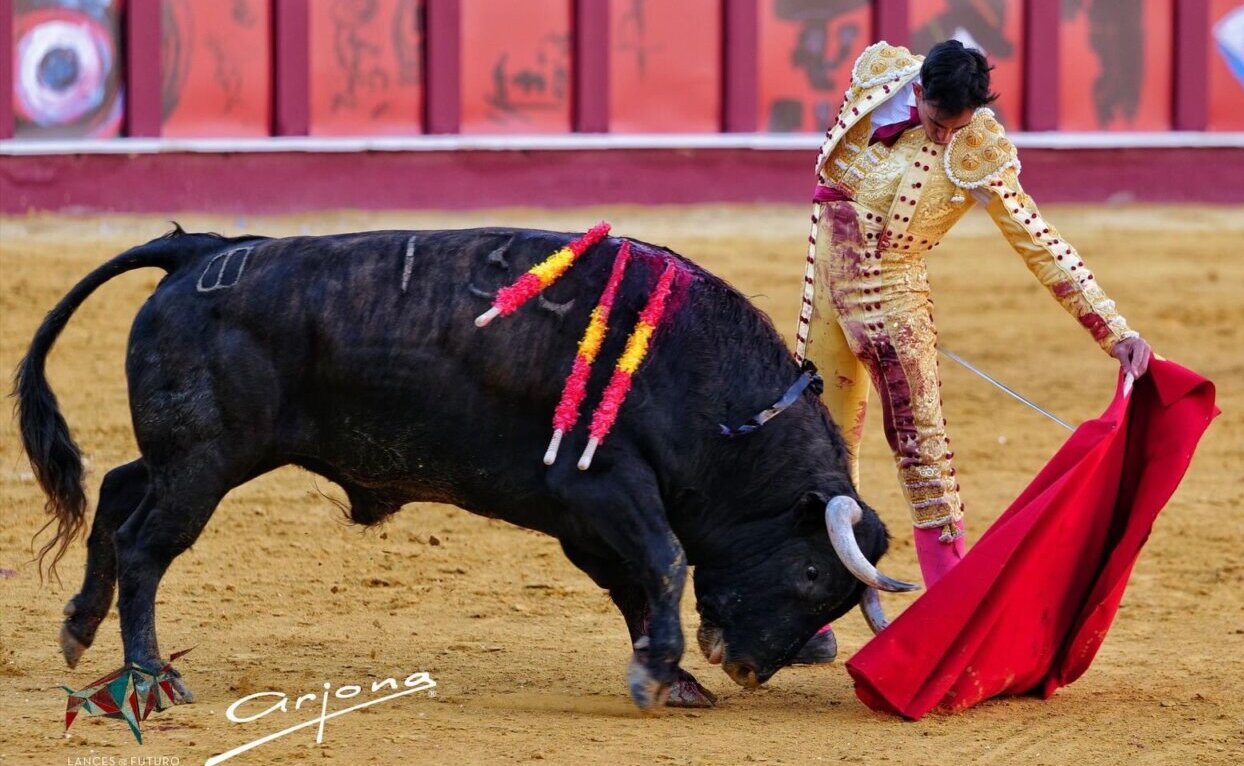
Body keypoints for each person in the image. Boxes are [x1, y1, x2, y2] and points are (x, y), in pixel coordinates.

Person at [794, 39, 1153, 594]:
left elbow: (1039, 241)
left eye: (956, 126)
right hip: (824, 295)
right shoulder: (879, 76)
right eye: (938, 123)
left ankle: (949, 604)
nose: (944, 137)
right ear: (918, 92)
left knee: (923, 448)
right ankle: (812, 606)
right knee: (815, 444)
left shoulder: (978, 150)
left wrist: (1114, 329)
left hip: (894, 300)